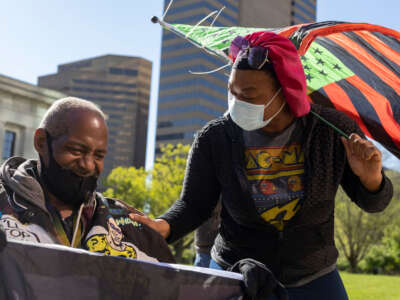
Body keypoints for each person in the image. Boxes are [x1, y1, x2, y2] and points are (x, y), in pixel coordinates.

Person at [131, 31, 393, 300]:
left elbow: (375, 203)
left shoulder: (333, 130)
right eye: (232, 92)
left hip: (314, 276)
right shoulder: (214, 137)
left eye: (249, 95)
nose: (237, 103)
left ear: (286, 89)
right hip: (235, 271)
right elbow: (194, 205)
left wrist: (371, 178)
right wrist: (163, 225)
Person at [0, 97, 175, 263]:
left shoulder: (127, 221)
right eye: (76, 151)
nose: (88, 165)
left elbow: (172, 284)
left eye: (99, 156)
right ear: (41, 142)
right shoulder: (4, 204)